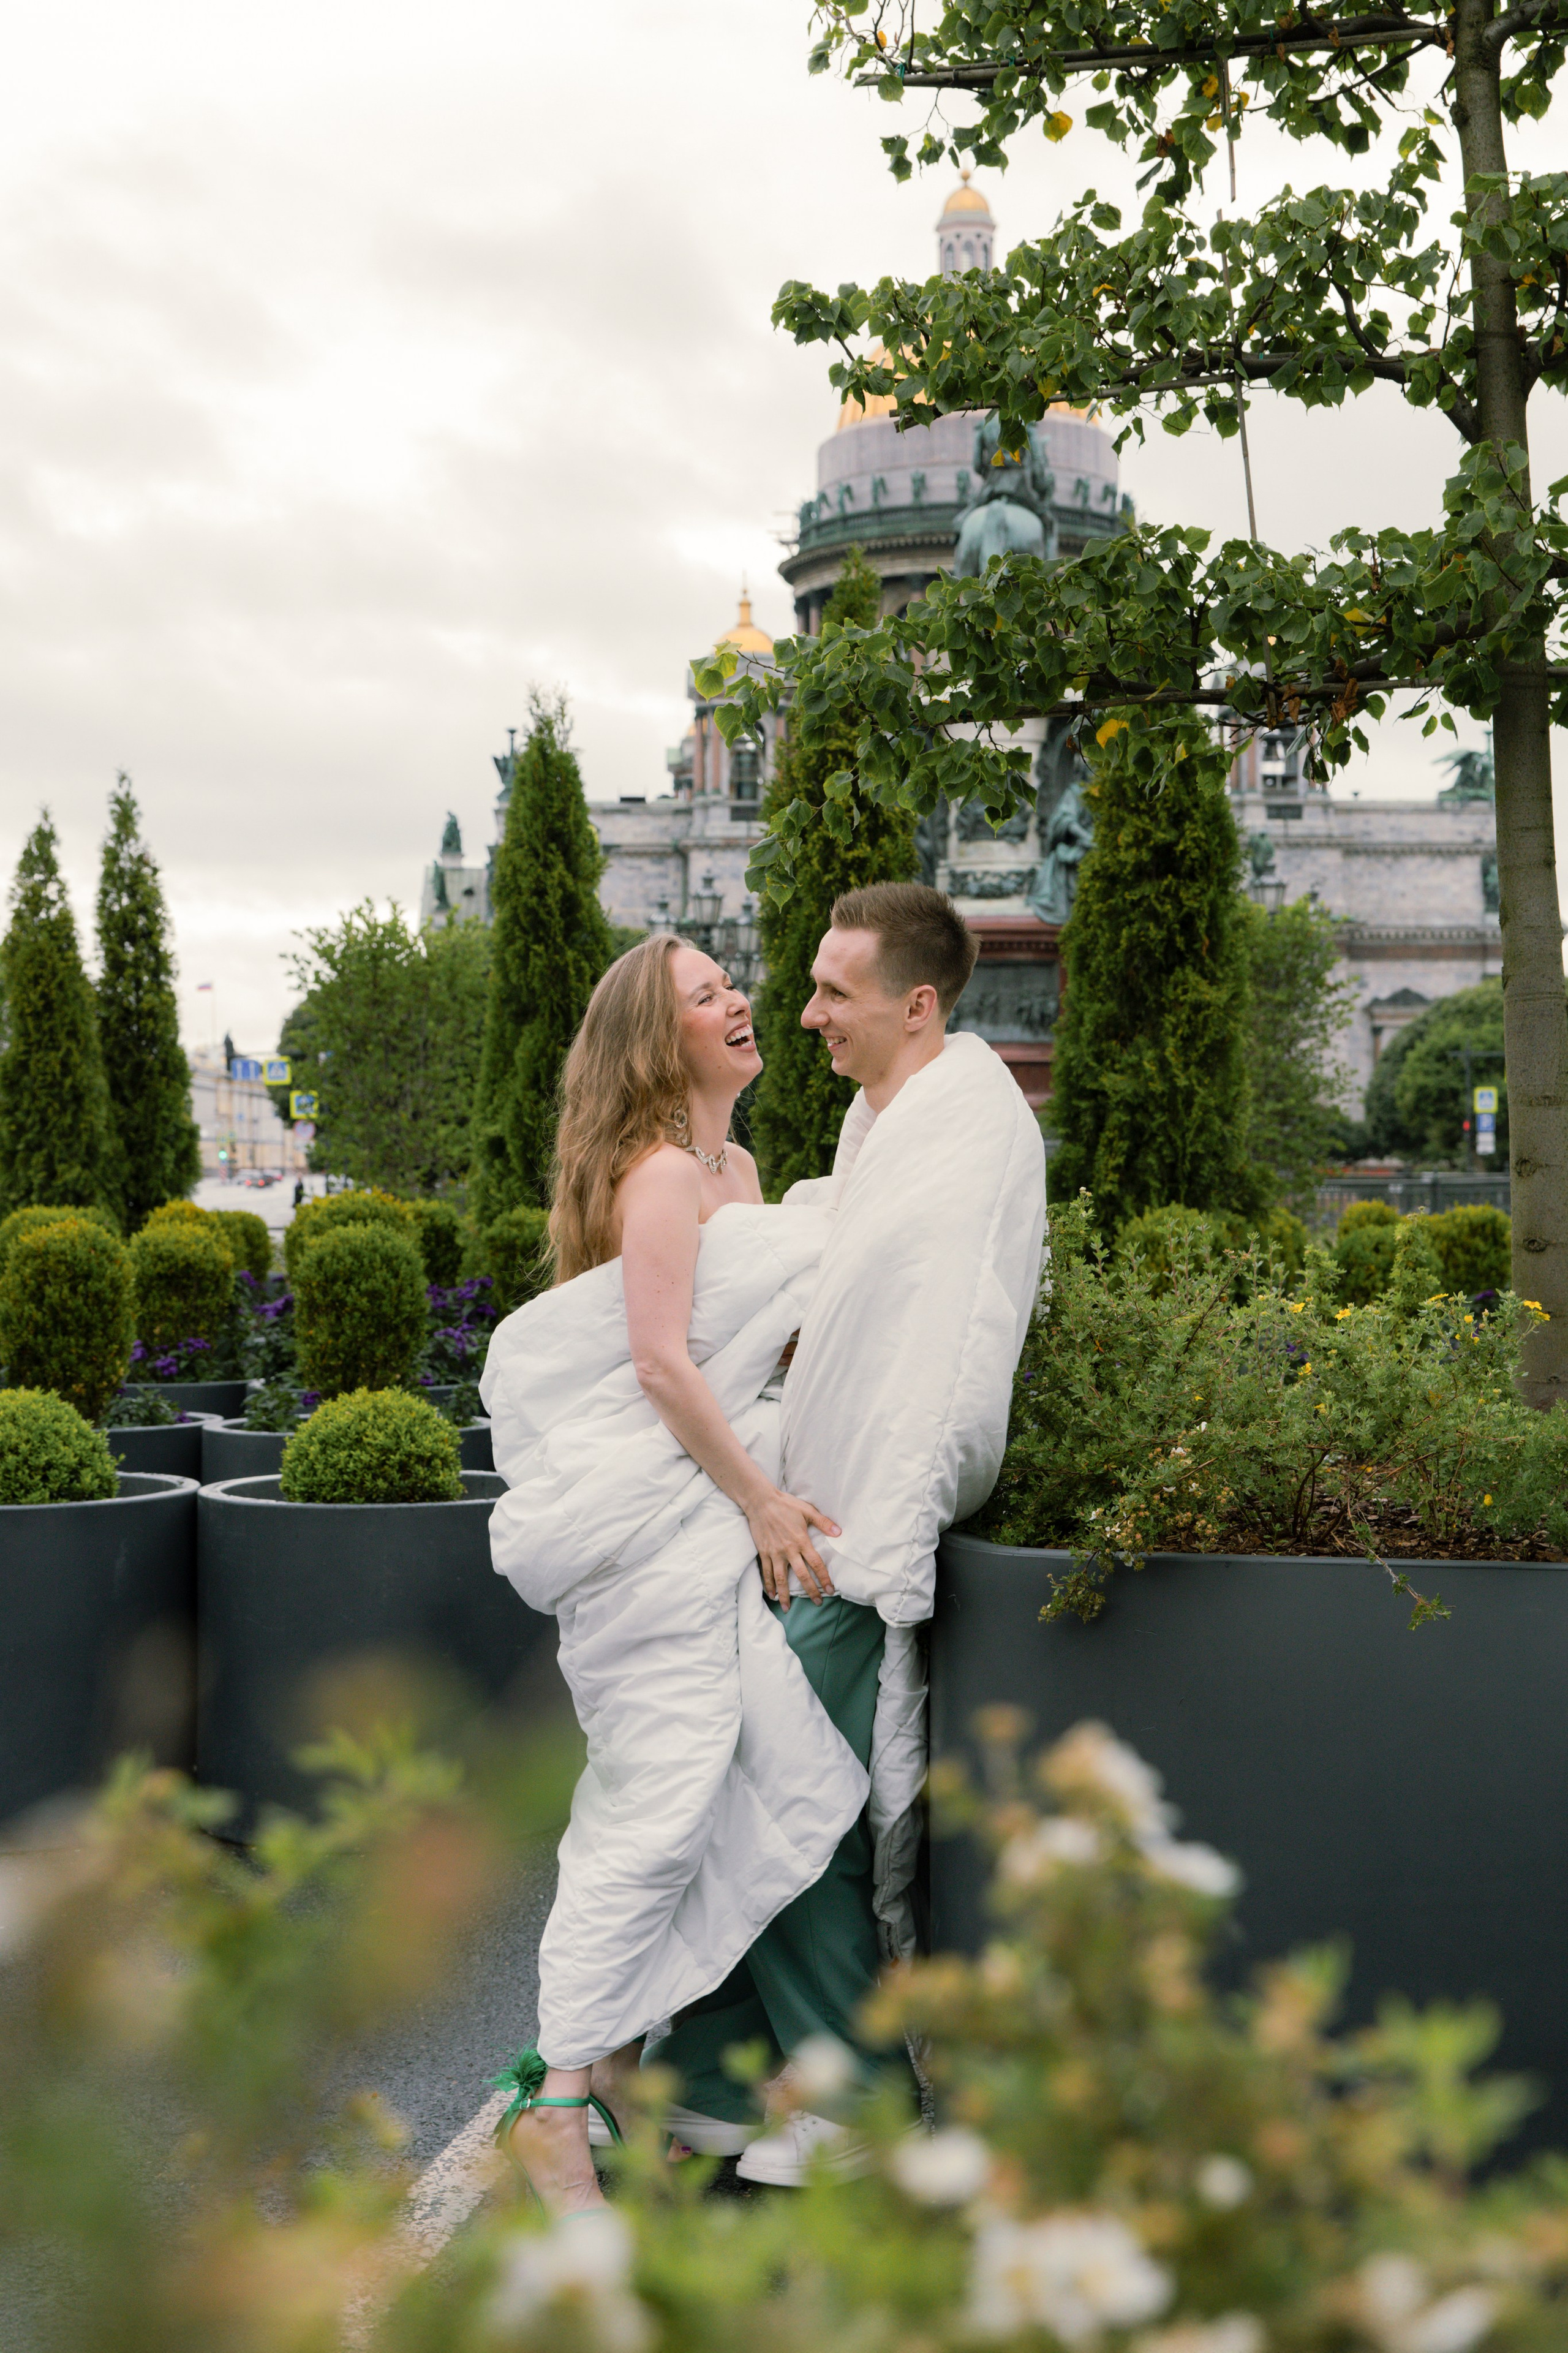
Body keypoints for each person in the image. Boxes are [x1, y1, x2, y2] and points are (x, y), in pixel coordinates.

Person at [649, 882, 1047, 2185]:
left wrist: (869, 1545)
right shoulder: (879, 1114)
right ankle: (709, 2075)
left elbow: (933, 1357)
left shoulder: (964, 1128)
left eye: (836, 991)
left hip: (855, 1525)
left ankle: (858, 2105)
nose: (806, 1011)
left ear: (916, 1006)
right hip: (809, 1508)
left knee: (780, 1785)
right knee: (749, 1782)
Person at [480, 935, 869, 2214]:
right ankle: (550, 2109)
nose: (738, 1001)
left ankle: (622, 2075)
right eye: (705, 995)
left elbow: (748, 1337)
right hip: (657, 1520)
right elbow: (657, 1362)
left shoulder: (739, 1167)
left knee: (726, 1789)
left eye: (728, 983)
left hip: (708, 1502)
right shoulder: (655, 1176)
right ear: (661, 1039)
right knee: (652, 1810)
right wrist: (758, 1497)